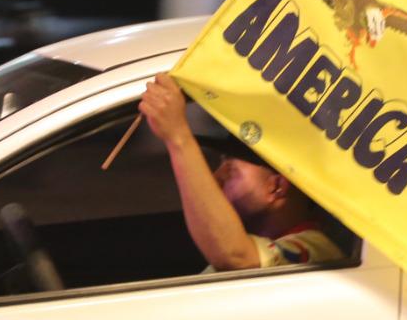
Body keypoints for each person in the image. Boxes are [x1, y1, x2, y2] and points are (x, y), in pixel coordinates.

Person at [137, 73, 344, 271]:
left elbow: (237, 258)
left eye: (231, 171)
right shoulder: (271, 241)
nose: (215, 179)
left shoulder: (316, 251)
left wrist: (178, 136)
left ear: (276, 187)